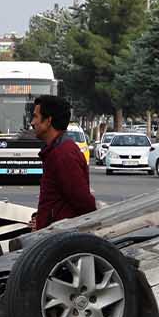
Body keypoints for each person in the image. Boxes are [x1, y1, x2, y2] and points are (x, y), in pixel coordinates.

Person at [28, 93, 95, 230]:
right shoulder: (55, 150)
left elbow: (83, 202)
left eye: (35, 117)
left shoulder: (63, 154)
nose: (32, 122)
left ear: (48, 121)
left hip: (61, 237)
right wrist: (41, 219)